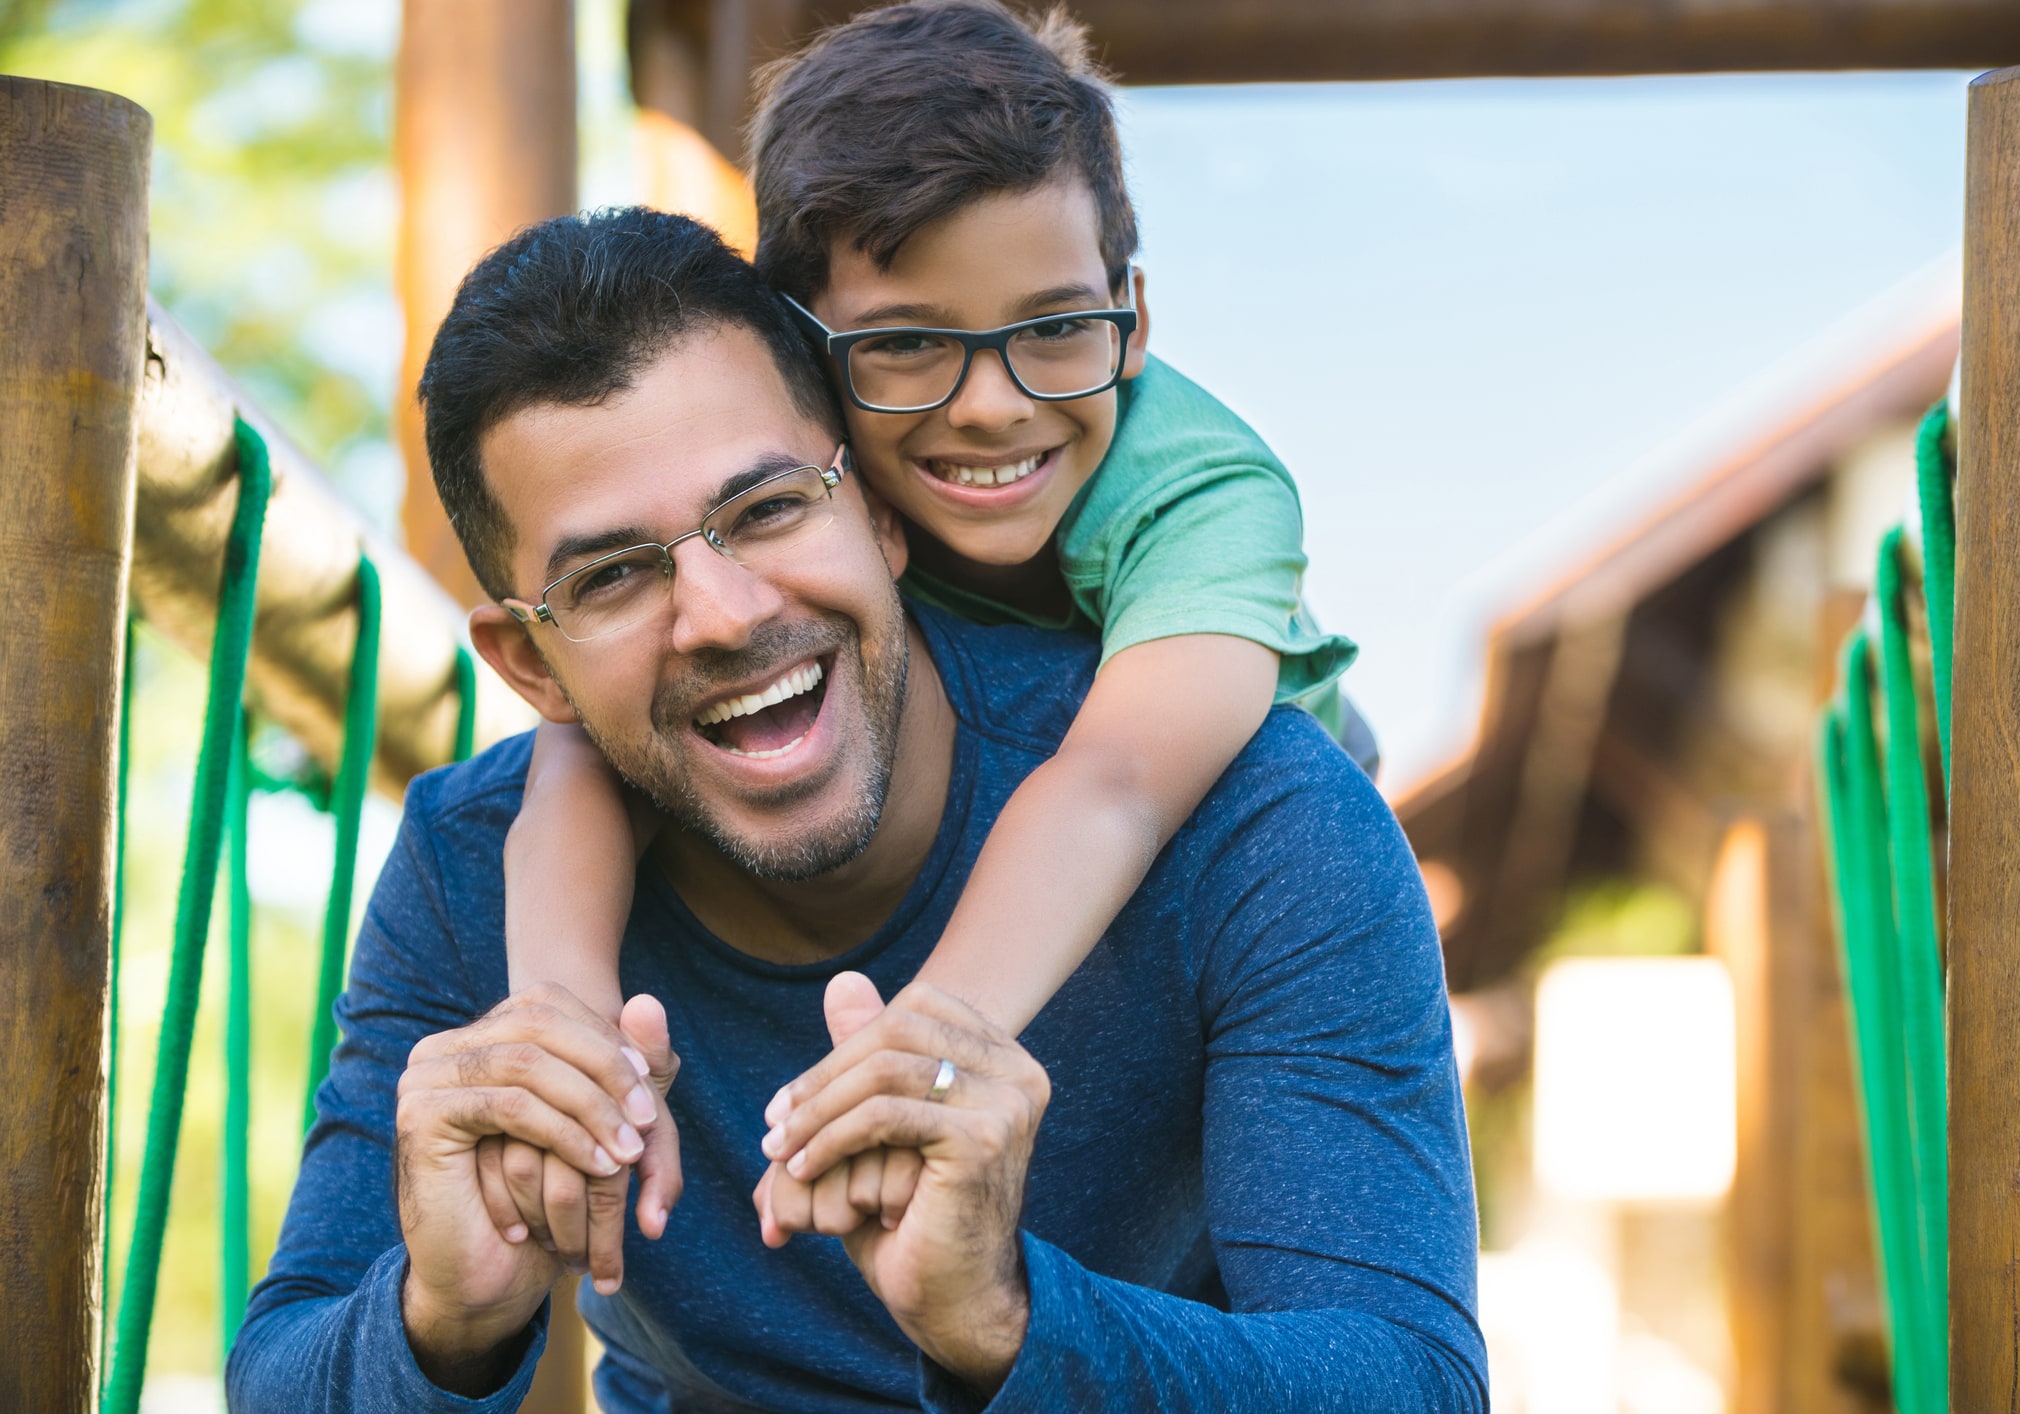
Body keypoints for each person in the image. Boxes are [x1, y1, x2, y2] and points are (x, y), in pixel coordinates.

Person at [225, 209, 1485, 1410]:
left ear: (878, 512)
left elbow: (1411, 1383)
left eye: (768, 509)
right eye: (612, 577)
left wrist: (1005, 1320)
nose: (724, 613)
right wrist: (440, 1318)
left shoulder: (1256, 813)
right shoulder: (468, 867)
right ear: (531, 668)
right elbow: (282, 1371)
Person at [501, 10, 1372, 1225]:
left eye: (1058, 328)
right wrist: (565, 1029)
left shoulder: (1204, 496)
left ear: (1133, 314)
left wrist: (920, 1053)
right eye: (908, 344)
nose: (992, 407)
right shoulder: (797, 480)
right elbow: (579, 757)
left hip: (1235, 831)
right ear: (797, 348)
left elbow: (1117, 781)